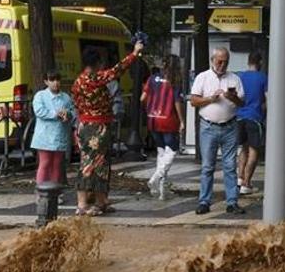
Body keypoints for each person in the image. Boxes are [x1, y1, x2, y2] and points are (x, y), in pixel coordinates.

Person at [71, 41, 143, 216]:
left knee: (98, 164)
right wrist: (134, 53)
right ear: (98, 63)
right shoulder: (94, 79)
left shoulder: (78, 81)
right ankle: (83, 203)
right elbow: (117, 70)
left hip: (86, 125)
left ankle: (100, 201)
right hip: (96, 126)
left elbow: (76, 104)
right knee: (91, 165)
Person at [190, 47, 245, 215]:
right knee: (208, 166)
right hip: (208, 126)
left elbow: (242, 102)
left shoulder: (234, 78)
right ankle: (204, 201)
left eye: (225, 62)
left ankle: (232, 202)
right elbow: (193, 101)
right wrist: (209, 99)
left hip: (229, 125)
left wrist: (231, 97)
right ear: (212, 60)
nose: (222, 65)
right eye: (219, 61)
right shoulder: (203, 77)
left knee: (230, 166)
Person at [142, 55, 185, 200]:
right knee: (172, 151)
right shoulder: (175, 81)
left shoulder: (152, 78)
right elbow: (177, 102)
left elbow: (143, 98)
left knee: (161, 153)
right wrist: (182, 121)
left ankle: (162, 190)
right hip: (168, 120)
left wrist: (151, 106)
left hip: (153, 119)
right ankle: (156, 178)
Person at [31, 70, 76, 188]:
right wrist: (56, 114)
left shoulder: (65, 97)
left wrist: (68, 115)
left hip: (60, 134)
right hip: (45, 135)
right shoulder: (40, 95)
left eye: (57, 80)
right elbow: (39, 111)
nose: (55, 83)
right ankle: (41, 190)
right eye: (52, 80)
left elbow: (73, 111)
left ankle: (55, 191)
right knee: (45, 162)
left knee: (57, 164)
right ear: (46, 82)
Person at [236, 51, 268, 195]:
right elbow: (268, 100)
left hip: (239, 117)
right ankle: (246, 183)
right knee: (254, 151)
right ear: (260, 62)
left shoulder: (240, 77)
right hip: (255, 118)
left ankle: (239, 177)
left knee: (244, 149)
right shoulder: (263, 78)